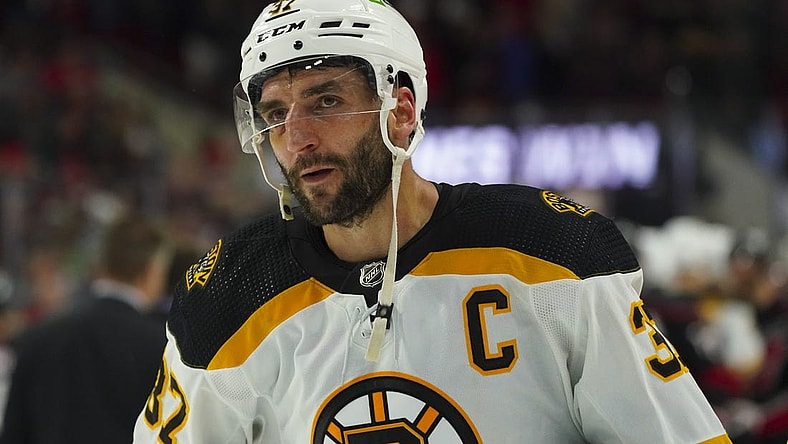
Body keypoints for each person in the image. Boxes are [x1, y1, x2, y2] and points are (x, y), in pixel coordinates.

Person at [134, 0, 731, 442]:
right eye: (274, 113)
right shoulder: (229, 299)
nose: (297, 138)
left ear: (401, 109)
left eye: (326, 101)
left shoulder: (554, 254)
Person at [1, 212, 172, 444]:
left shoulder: (37, 338)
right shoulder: (163, 348)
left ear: (100, 265)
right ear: (151, 271)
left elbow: (14, 434)